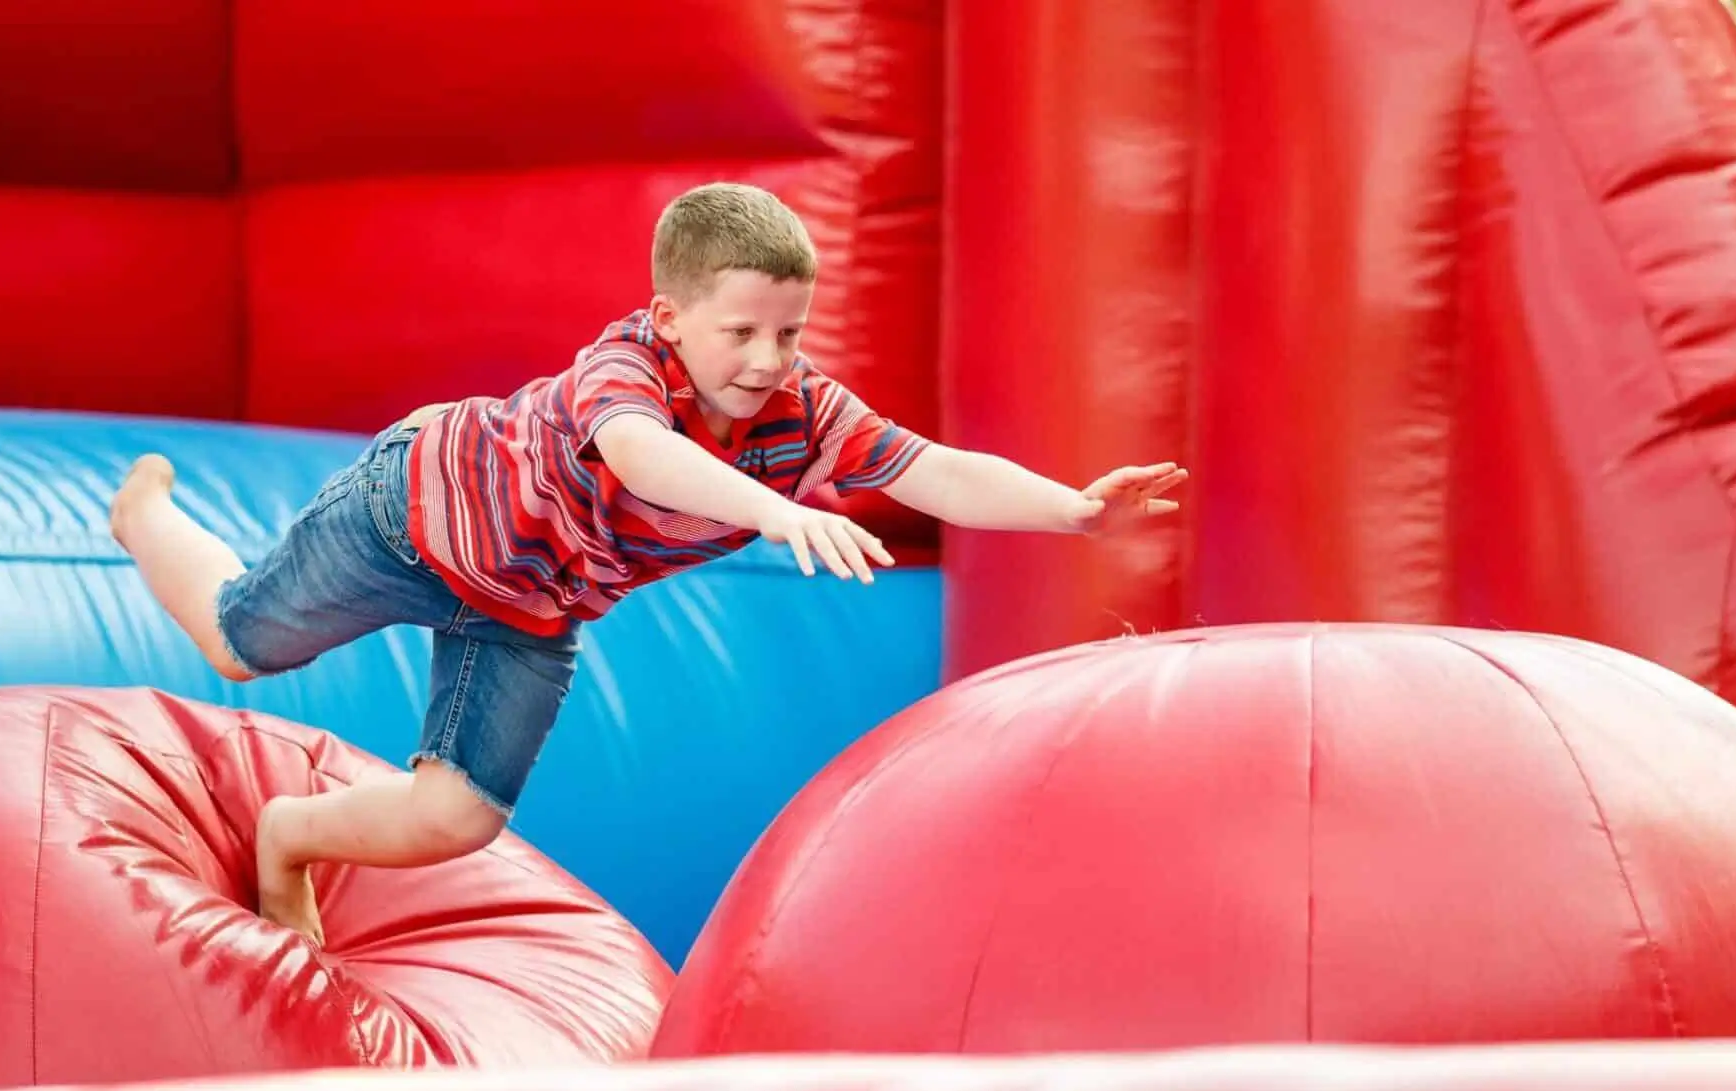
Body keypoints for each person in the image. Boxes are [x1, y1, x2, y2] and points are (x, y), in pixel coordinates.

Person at [108, 182, 1188, 947]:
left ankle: (290, 837)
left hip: (529, 605)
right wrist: (774, 512)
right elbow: (639, 454)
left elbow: (934, 471)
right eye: (740, 334)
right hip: (417, 515)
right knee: (241, 641)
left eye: (790, 333)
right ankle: (144, 513)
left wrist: (1075, 511)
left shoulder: (801, 409)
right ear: (672, 318)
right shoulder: (623, 367)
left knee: (459, 817)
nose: (768, 362)